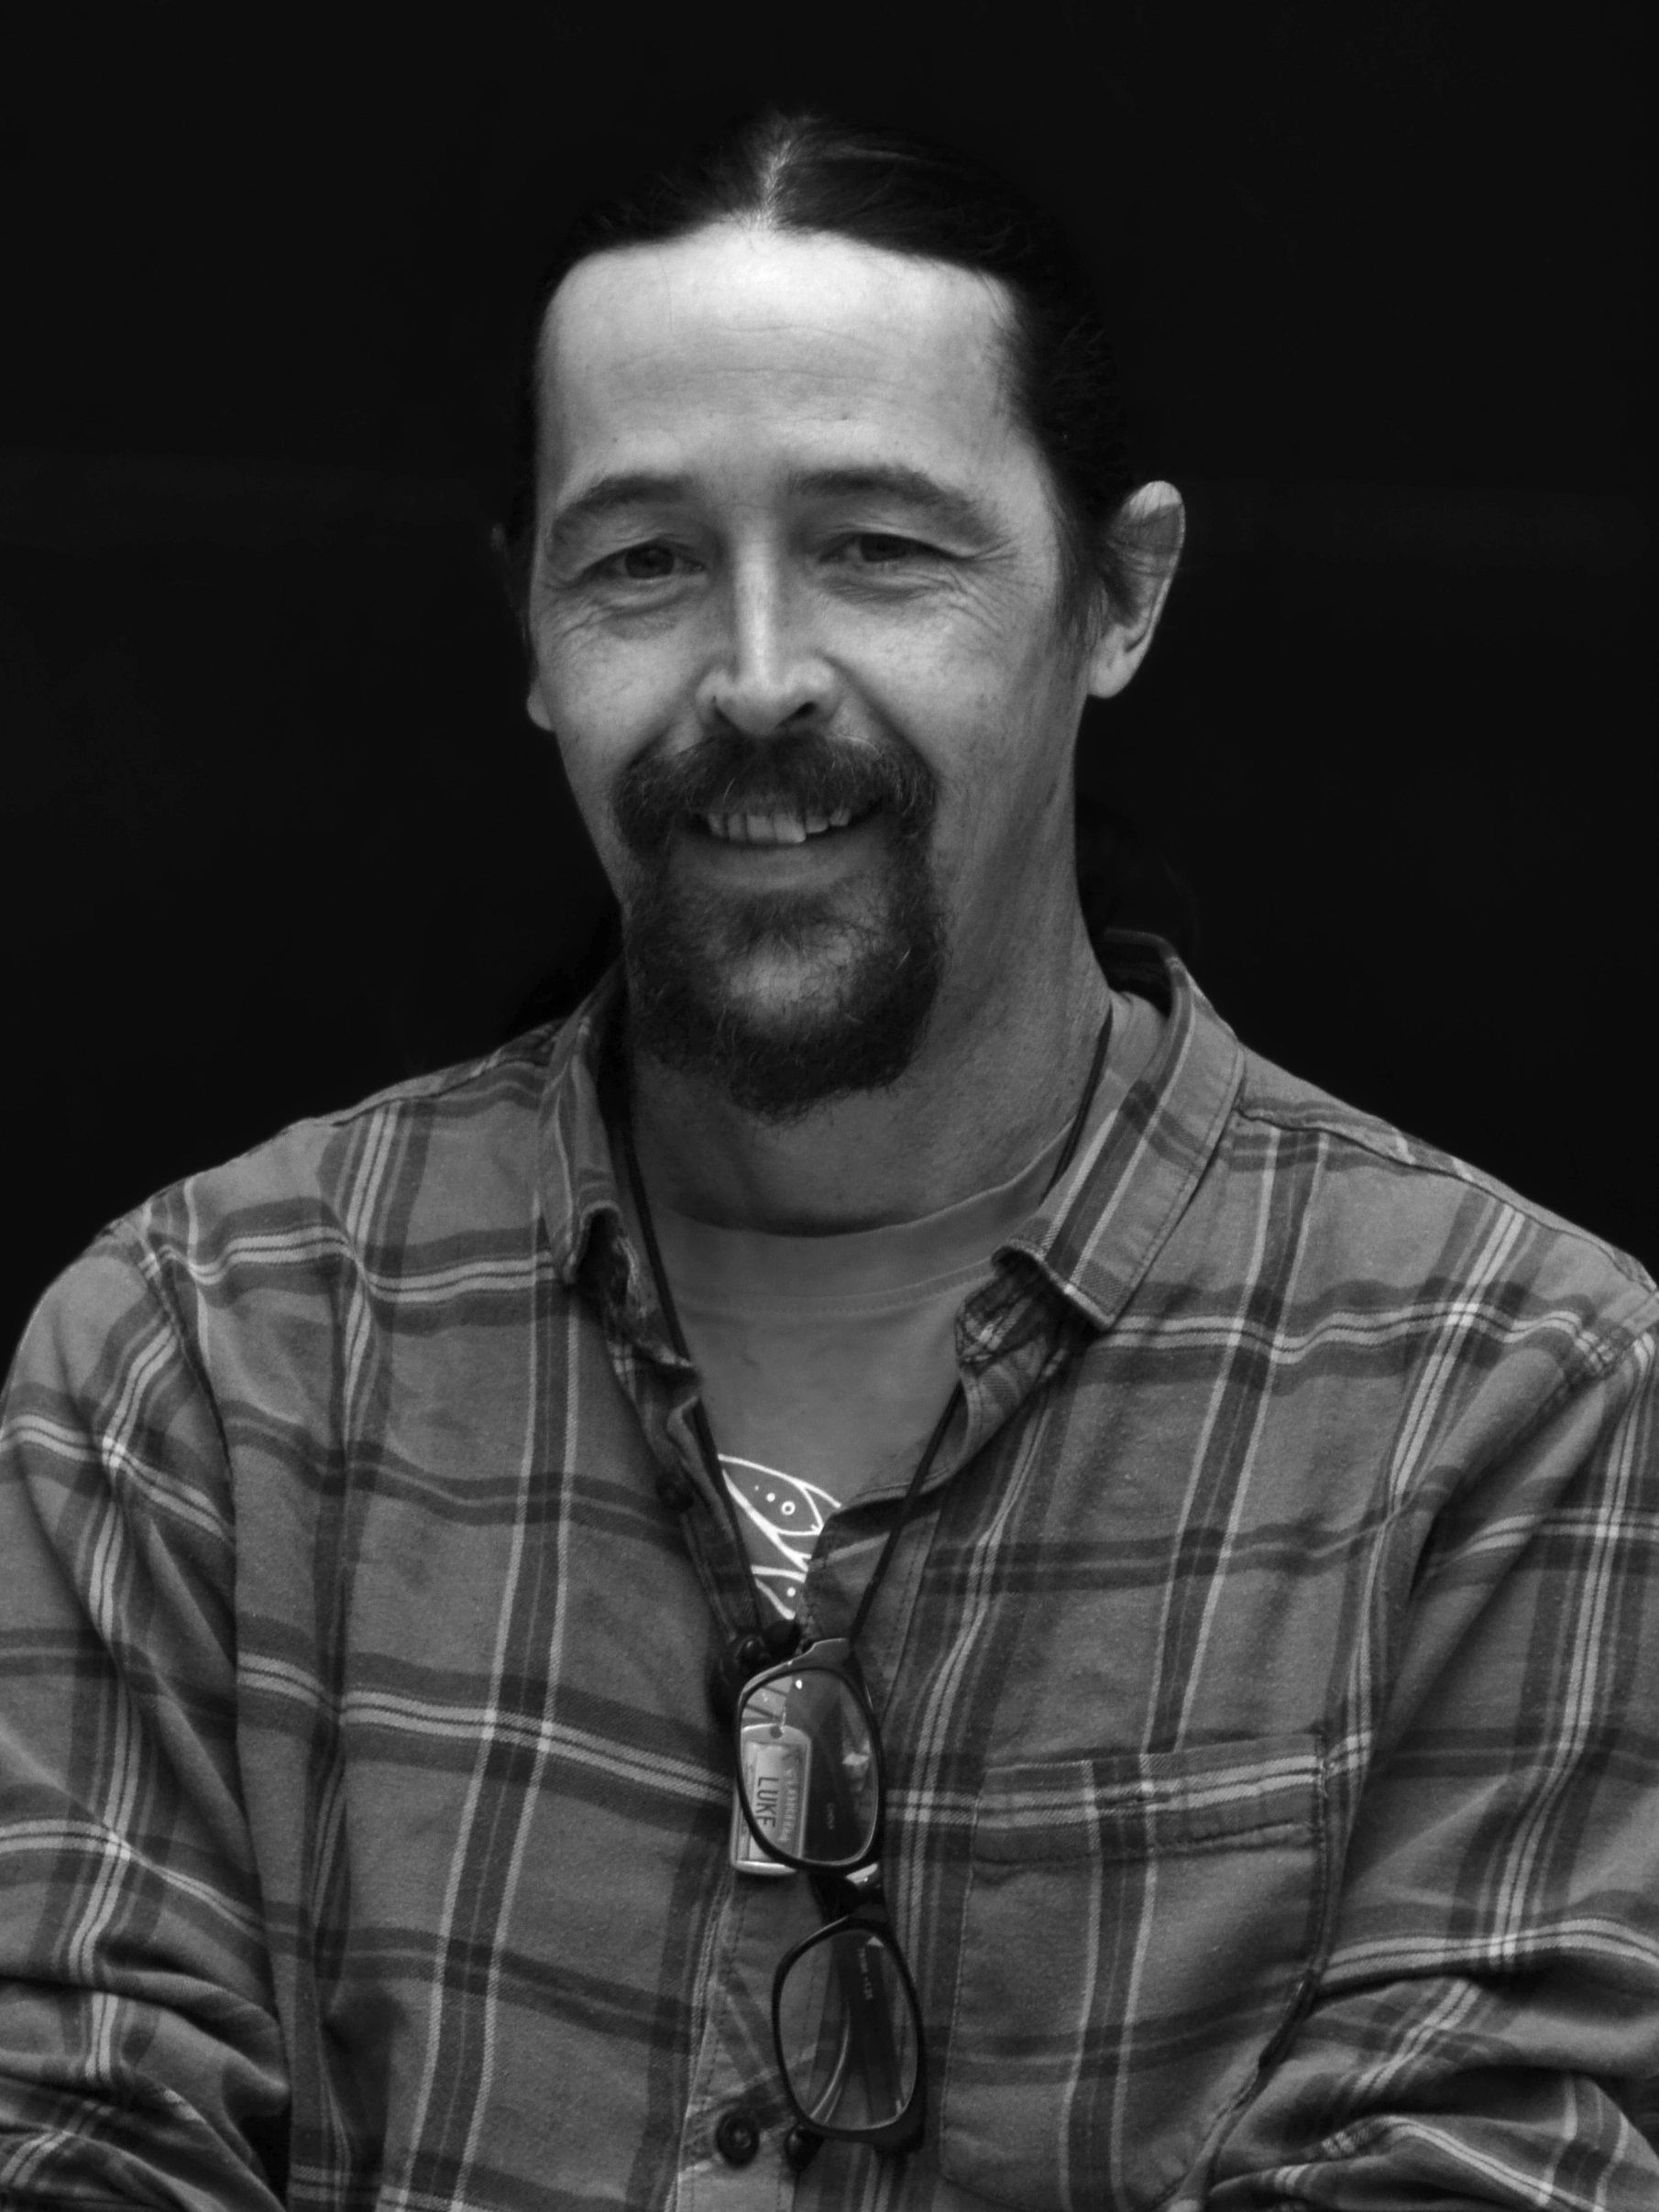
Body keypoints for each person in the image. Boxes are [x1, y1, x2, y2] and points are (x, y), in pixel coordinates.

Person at [2, 109, 1655, 2212]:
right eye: (640, 561)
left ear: (1117, 593)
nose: (759, 674)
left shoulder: (1509, 1392)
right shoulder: (200, 1360)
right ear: (531, 629)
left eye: (878, 547)